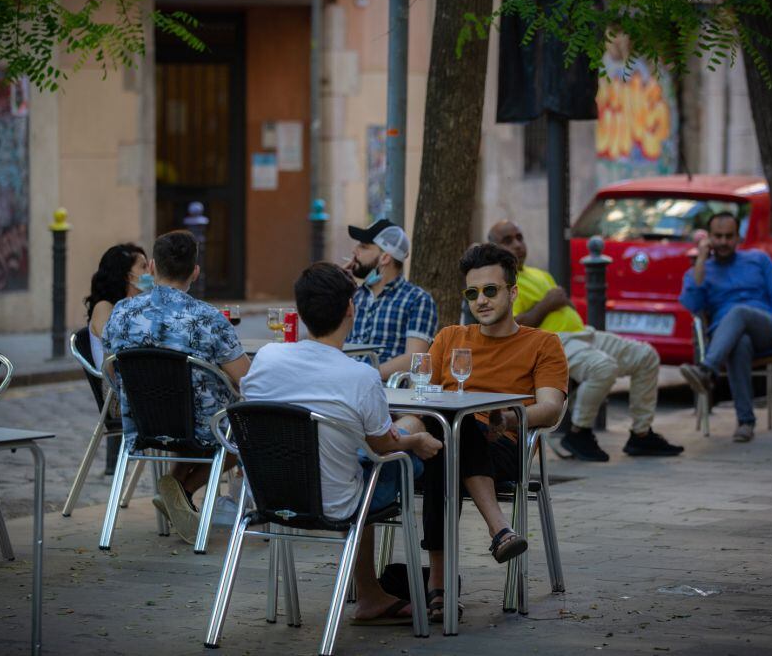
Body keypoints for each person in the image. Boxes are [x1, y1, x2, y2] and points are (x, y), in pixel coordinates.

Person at [241, 262, 443, 625]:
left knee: (351, 463)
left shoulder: (265, 359)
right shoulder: (360, 376)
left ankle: (370, 594)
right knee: (397, 460)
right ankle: (379, 593)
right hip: (337, 503)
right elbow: (384, 448)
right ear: (351, 308)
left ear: (300, 312)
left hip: (269, 496)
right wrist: (416, 438)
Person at [419, 243, 568, 622]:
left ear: (513, 292)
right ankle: (500, 530)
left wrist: (512, 417)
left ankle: (439, 584)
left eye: (490, 290)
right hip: (448, 439)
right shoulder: (450, 337)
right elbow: (424, 395)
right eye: (472, 293)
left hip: (504, 445)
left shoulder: (542, 343)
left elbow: (550, 407)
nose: (481, 301)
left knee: (454, 430)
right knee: (451, 430)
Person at [488, 219, 683, 462]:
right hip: (549, 344)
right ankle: (579, 433)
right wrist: (547, 304)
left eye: (519, 237)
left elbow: (563, 304)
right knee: (603, 367)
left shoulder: (539, 274)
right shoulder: (499, 283)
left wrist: (560, 304)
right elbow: (510, 330)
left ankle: (641, 435)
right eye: (508, 241)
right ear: (493, 248)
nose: (517, 244)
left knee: (646, 356)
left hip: (582, 334)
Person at [103, 230, 250, 543]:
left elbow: (112, 368)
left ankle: (176, 488)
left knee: (189, 412)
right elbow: (245, 379)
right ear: (195, 272)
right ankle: (182, 489)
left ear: (153, 267)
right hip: (197, 426)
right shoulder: (208, 319)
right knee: (245, 429)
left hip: (142, 422)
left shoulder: (122, 313)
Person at [679, 211, 772, 443]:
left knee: (739, 311)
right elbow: (693, 305)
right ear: (709, 238)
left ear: (738, 237)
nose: (723, 242)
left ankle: (706, 370)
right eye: (718, 236)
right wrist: (701, 259)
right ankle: (745, 422)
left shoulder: (759, 260)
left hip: (765, 328)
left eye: (729, 236)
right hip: (727, 338)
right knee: (740, 343)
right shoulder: (700, 272)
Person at [344, 219, 438, 381]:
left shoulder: (417, 299)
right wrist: (337, 284)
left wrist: (363, 376)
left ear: (385, 257)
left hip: (386, 393)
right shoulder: (354, 295)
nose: (355, 251)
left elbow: (414, 360)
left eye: (364, 247)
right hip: (345, 388)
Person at [84, 243, 150, 369]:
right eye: (143, 267)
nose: (149, 272)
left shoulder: (136, 304)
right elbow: (118, 344)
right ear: (127, 276)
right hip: (116, 382)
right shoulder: (103, 307)